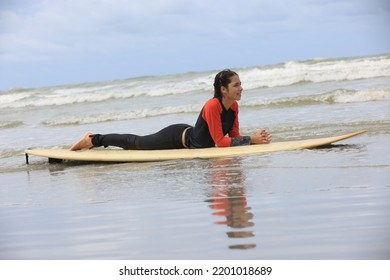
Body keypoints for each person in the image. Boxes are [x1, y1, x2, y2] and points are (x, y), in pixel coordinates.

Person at [70, 69, 272, 151]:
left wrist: (253, 139)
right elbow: (220, 142)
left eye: (240, 84)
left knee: (137, 143)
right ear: (223, 89)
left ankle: (95, 139)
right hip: (176, 137)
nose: (241, 88)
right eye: (236, 85)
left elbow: (233, 136)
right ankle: (94, 139)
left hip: (190, 135)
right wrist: (251, 140)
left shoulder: (234, 106)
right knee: (137, 143)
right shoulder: (212, 105)